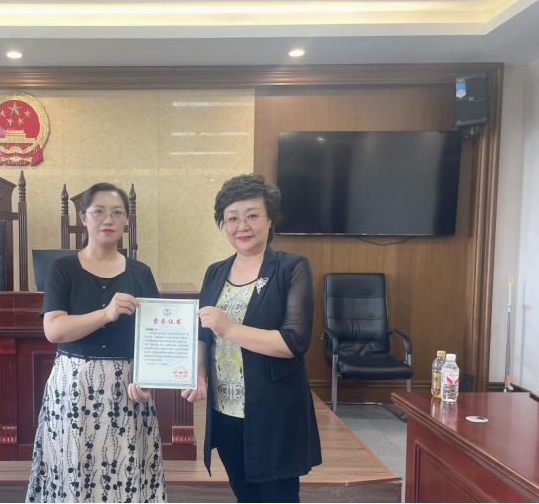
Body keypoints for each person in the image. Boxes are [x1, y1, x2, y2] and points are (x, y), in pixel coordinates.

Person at [26, 183, 166, 503]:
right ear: (83, 218)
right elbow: (54, 330)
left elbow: (155, 338)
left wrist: (149, 380)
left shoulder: (140, 272)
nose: (108, 219)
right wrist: (106, 314)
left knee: (126, 471)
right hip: (75, 386)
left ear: (126, 221)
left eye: (117, 213)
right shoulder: (63, 268)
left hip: (127, 387)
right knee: (73, 471)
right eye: (99, 211)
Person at [196, 174, 322, 503]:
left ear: (269, 219)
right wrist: (197, 374)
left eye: (252, 215)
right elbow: (202, 335)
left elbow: (294, 341)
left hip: (273, 411)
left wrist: (230, 329)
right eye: (232, 218)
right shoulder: (215, 271)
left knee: (279, 497)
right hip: (225, 411)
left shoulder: (291, 267)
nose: (242, 226)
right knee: (245, 496)